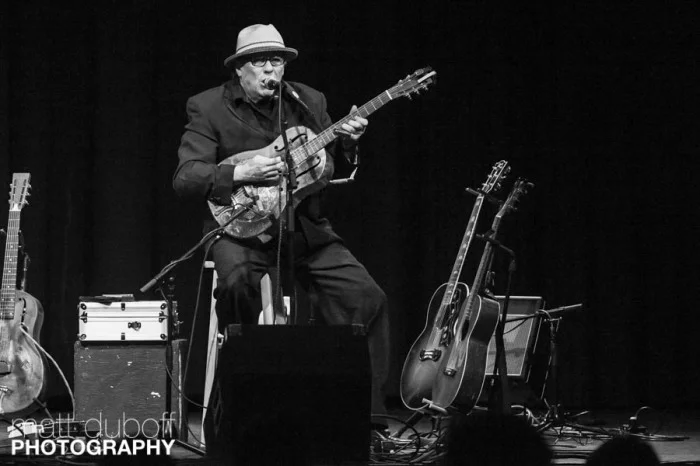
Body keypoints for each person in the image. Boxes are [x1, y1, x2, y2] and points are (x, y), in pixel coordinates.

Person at [172, 24, 390, 432]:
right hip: (239, 230)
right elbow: (186, 177)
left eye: (277, 60)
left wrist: (346, 143)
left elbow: (325, 169)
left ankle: (361, 418)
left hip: (304, 228)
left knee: (366, 296)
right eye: (260, 62)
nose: (271, 69)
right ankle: (236, 410)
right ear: (239, 68)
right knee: (237, 285)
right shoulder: (208, 106)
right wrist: (241, 172)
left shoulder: (309, 101)